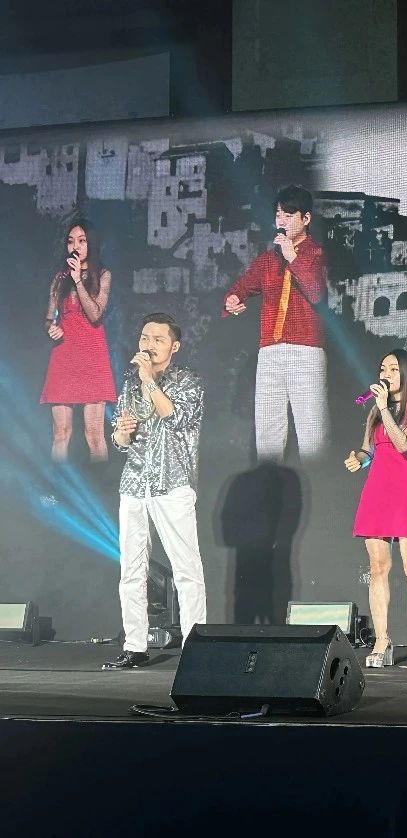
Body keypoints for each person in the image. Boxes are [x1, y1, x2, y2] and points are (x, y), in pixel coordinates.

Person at [103, 313, 207, 670]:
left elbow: (175, 417)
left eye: (158, 339)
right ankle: (135, 645)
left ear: (174, 346)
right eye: (145, 338)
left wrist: (148, 379)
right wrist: (122, 434)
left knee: (186, 570)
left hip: (172, 485)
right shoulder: (130, 383)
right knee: (131, 570)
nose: (149, 345)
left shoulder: (188, 380)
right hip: (134, 483)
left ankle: (196, 646)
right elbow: (120, 439)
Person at [223, 185, 329, 461]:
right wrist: (233, 299)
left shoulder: (317, 254)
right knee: (268, 432)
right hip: (270, 351)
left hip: (305, 351)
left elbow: (316, 293)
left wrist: (293, 256)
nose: (281, 221)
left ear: (306, 218)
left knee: (311, 430)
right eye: (278, 215)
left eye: (289, 215)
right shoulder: (268, 260)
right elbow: (243, 285)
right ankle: (269, 482)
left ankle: (320, 482)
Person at [345, 349, 407, 669]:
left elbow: (404, 443)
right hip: (378, 489)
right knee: (378, 568)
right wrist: (359, 459)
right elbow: (368, 450)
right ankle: (382, 640)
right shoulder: (375, 410)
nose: (386, 374)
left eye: (394, 369)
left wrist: (384, 407)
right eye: (383, 368)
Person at [40, 221, 116, 462]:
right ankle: (56, 482)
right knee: (60, 433)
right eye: (71, 241)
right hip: (64, 355)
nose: (76, 246)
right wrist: (51, 329)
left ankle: (100, 481)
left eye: (82, 241)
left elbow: (95, 315)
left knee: (94, 434)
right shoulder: (59, 279)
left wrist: (78, 281)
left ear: (91, 244)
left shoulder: (102, 275)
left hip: (92, 356)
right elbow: (49, 319)